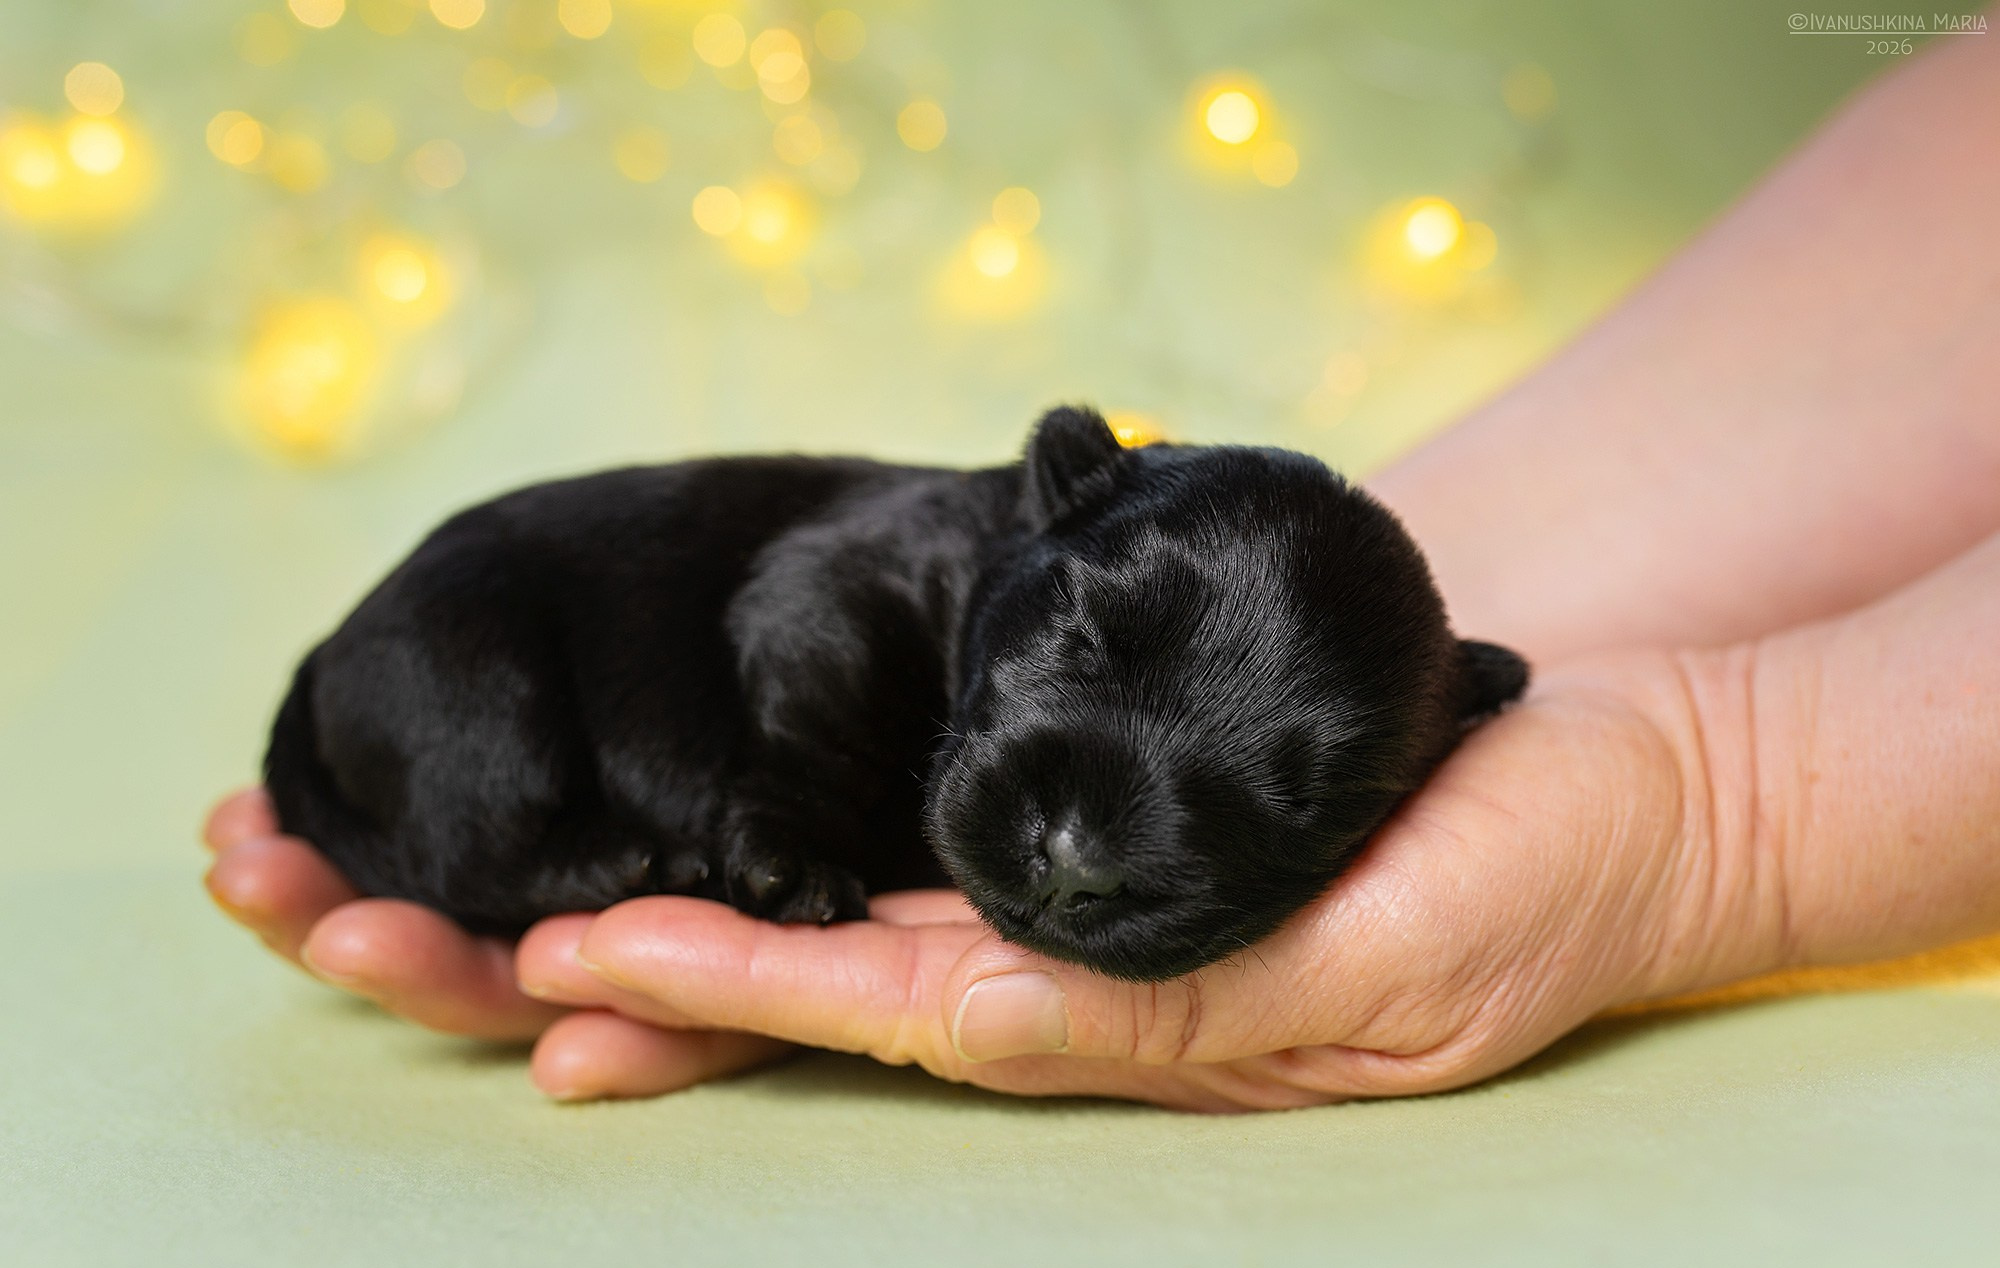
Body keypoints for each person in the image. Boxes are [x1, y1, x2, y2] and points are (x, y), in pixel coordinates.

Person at [203, 36, 2000, 1110]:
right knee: (472, 761)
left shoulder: (1323, 673)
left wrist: (1714, 813)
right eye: (1086, 652)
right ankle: (507, 854)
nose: (1075, 848)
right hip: (501, 645)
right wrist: (785, 813)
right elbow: (790, 617)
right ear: (1053, 498)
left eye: (1282, 794)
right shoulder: (912, 571)